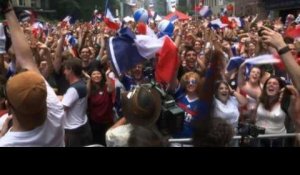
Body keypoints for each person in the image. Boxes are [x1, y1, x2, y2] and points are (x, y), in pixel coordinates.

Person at [0, 1, 65, 146]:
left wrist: (8, 10)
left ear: (9, 106)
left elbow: (25, 59)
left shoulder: (6, 144)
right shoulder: (55, 112)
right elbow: (26, 60)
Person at [61, 58, 92, 147]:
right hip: (83, 127)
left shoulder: (73, 89)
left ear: (70, 69)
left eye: (65, 69)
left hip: (74, 132)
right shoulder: (82, 84)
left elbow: (61, 108)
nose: (64, 72)